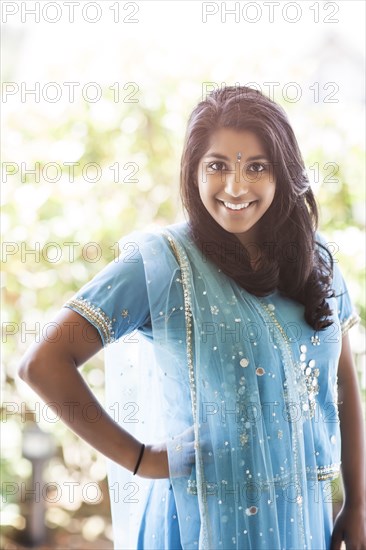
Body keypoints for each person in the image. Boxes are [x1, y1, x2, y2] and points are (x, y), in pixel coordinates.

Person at [18, 86, 365, 550]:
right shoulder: (163, 264)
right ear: (193, 172)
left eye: (256, 167)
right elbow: (42, 363)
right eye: (217, 166)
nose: (235, 187)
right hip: (202, 522)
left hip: (303, 521)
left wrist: (358, 503)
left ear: (283, 172)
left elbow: (343, 381)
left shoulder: (316, 259)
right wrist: (140, 459)